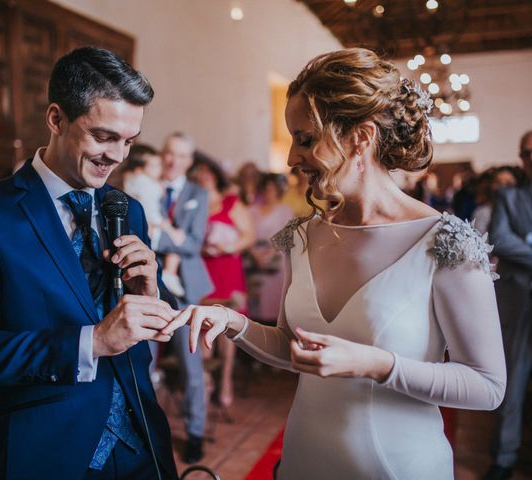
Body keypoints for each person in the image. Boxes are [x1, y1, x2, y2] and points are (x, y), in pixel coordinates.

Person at [165, 48, 506, 479]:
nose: (291, 157)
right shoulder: (303, 236)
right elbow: (295, 348)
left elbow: (488, 386)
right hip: (304, 457)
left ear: (360, 138)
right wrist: (231, 321)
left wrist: (376, 364)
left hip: (397, 467)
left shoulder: (445, 243)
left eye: (305, 139)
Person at [0, 47, 179, 479]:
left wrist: (154, 292)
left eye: (129, 141)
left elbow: (140, 323)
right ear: (56, 118)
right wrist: (92, 342)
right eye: (103, 136)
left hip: (142, 444)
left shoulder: (129, 210)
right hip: (48, 451)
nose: (118, 156)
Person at [151, 132, 213, 463]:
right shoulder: (147, 185)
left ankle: (195, 433)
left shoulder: (197, 193)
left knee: (191, 364)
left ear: (189, 161)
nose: (172, 160)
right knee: (143, 361)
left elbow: (192, 244)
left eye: (180, 155)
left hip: (185, 290)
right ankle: (143, 428)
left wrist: (159, 236)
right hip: (147, 286)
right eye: (169, 153)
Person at [485, 130, 532, 480]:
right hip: (519, 299)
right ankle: (503, 458)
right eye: (528, 153)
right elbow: (501, 239)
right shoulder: (510, 197)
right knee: (512, 380)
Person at [190, 156, 254, 410]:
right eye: (199, 172)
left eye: (208, 172)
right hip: (202, 270)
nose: (203, 176)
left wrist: (227, 246)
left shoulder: (230, 203)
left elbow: (249, 236)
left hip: (227, 269)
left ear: (216, 175)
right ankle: (205, 381)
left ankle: (225, 381)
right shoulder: (193, 203)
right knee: (203, 323)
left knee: (227, 328)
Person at [124, 144, 186, 297]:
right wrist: (170, 229)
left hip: (146, 225)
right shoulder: (146, 184)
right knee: (176, 246)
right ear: (140, 168)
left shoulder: (133, 180)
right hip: (151, 226)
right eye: (154, 166)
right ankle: (169, 275)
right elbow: (151, 212)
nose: (160, 169)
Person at [246, 173, 293, 325]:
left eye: (273, 189)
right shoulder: (251, 210)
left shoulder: (286, 210)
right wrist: (255, 254)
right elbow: (246, 233)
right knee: (253, 301)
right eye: (266, 189)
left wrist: (269, 254)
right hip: (252, 260)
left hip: (276, 261)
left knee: (273, 301)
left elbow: (286, 235)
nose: (269, 192)